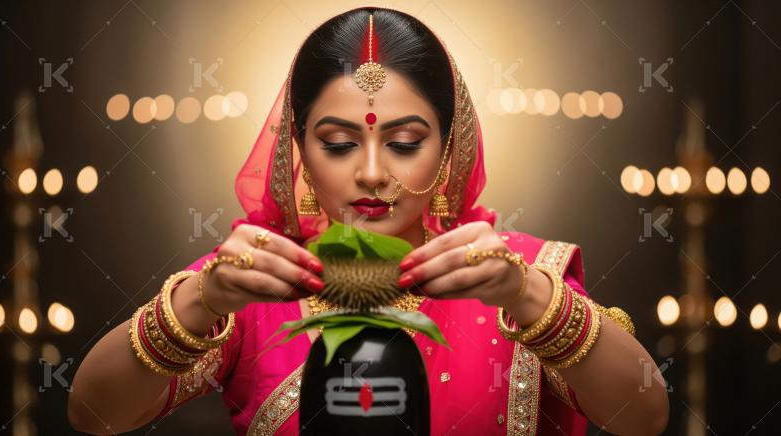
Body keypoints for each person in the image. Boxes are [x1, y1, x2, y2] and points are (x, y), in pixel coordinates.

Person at [68, 7, 669, 435]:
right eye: (337, 143)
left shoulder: (517, 275)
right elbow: (93, 414)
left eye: (405, 142)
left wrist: (528, 295)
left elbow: (644, 416)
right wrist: (200, 299)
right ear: (297, 147)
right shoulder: (255, 278)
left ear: (449, 146)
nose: (373, 173)